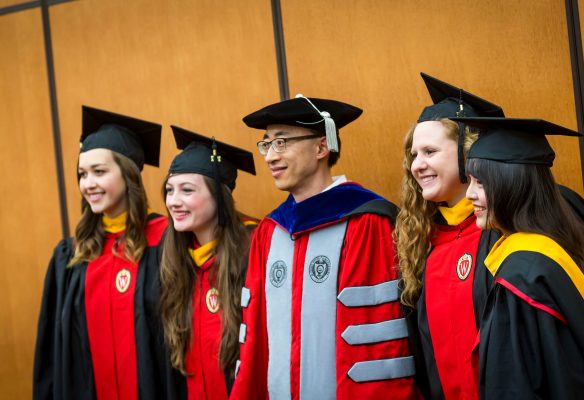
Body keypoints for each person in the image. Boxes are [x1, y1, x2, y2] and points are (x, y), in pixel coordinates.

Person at [230, 95, 420, 399]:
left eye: (282, 142)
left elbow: (376, 339)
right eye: (266, 144)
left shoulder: (365, 222)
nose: (269, 156)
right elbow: (254, 339)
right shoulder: (270, 231)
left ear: (321, 147)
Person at [33, 106, 169, 399]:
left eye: (99, 171)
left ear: (128, 174)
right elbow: (52, 353)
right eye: (82, 174)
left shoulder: (166, 242)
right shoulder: (71, 256)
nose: (88, 184)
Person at [459, 116, 584, 399]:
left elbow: (512, 385)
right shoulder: (563, 248)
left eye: (481, 183)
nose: (469, 194)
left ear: (514, 184)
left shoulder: (521, 277)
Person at [394, 73, 504, 399]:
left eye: (430, 151)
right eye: (414, 155)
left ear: (467, 153)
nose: (418, 165)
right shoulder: (421, 245)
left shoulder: (506, 232)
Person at [159, 126, 257, 399]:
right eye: (169, 191)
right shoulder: (174, 259)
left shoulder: (255, 252)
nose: (173, 202)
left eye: (187, 190)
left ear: (219, 196)